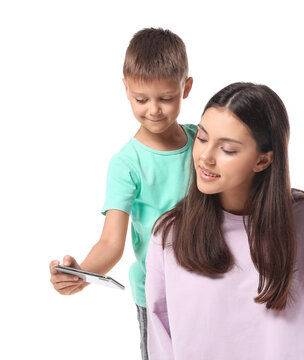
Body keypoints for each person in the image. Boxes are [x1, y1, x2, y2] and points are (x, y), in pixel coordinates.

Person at [145, 82, 304, 359]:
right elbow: (162, 344)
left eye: (228, 149)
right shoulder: (169, 234)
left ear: (263, 161)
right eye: (201, 138)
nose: (205, 157)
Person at [49, 28, 195, 360]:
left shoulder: (202, 141)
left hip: (208, 285)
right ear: (126, 88)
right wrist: (83, 272)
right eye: (141, 99)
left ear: (186, 88)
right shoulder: (126, 164)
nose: (154, 110)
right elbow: (111, 243)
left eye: (166, 98)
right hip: (158, 294)